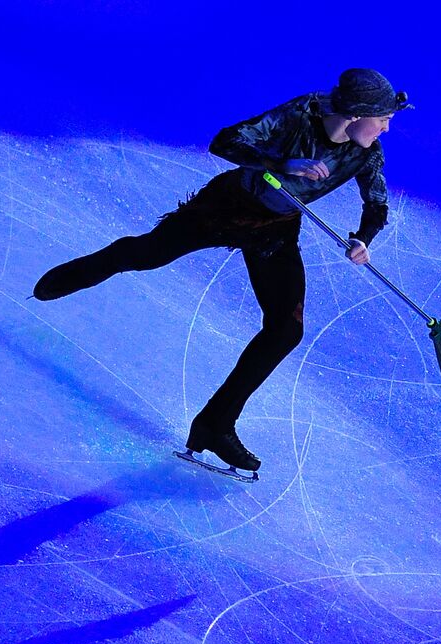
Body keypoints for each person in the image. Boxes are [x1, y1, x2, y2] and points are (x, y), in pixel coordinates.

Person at [33, 68, 411, 476]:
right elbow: (226, 141)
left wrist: (363, 239)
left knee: (286, 330)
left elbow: (377, 205)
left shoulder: (367, 152)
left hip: (274, 230)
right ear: (355, 114)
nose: (387, 128)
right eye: (383, 118)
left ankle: (215, 424)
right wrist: (283, 164)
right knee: (146, 256)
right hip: (225, 209)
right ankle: (96, 265)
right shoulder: (302, 113)